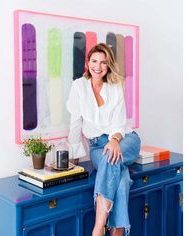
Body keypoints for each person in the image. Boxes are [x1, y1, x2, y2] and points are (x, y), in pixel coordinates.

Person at [66, 43, 141, 236]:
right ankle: (117, 230)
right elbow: (75, 122)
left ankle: (98, 227)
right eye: (94, 61)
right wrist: (73, 158)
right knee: (120, 176)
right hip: (98, 146)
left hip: (125, 140)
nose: (98, 66)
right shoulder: (78, 86)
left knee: (112, 158)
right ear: (88, 62)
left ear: (109, 66)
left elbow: (119, 123)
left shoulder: (115, 87)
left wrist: (115, 140)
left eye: (103, 63)